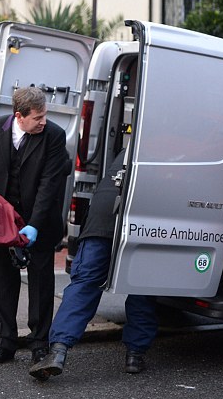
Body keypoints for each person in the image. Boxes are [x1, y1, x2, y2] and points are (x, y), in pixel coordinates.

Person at [29, 149, 158, 381]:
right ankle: (135, 355)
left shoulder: (132, 146)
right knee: (141, 288)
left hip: (102, 218)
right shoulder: (177, 150)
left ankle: (57, 351)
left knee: (84, 285)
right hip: (143, 222)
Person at [0, 87, 71, 370]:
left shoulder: (53, 135)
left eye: (45, 115)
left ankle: (39, 344)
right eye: (38, 117)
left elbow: (49, 184)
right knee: (2, 280)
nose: (43, 121)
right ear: (19, 116)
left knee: (40, 283)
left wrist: (34, 225)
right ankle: (4, 342)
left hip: (39, 221)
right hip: (1, 222)